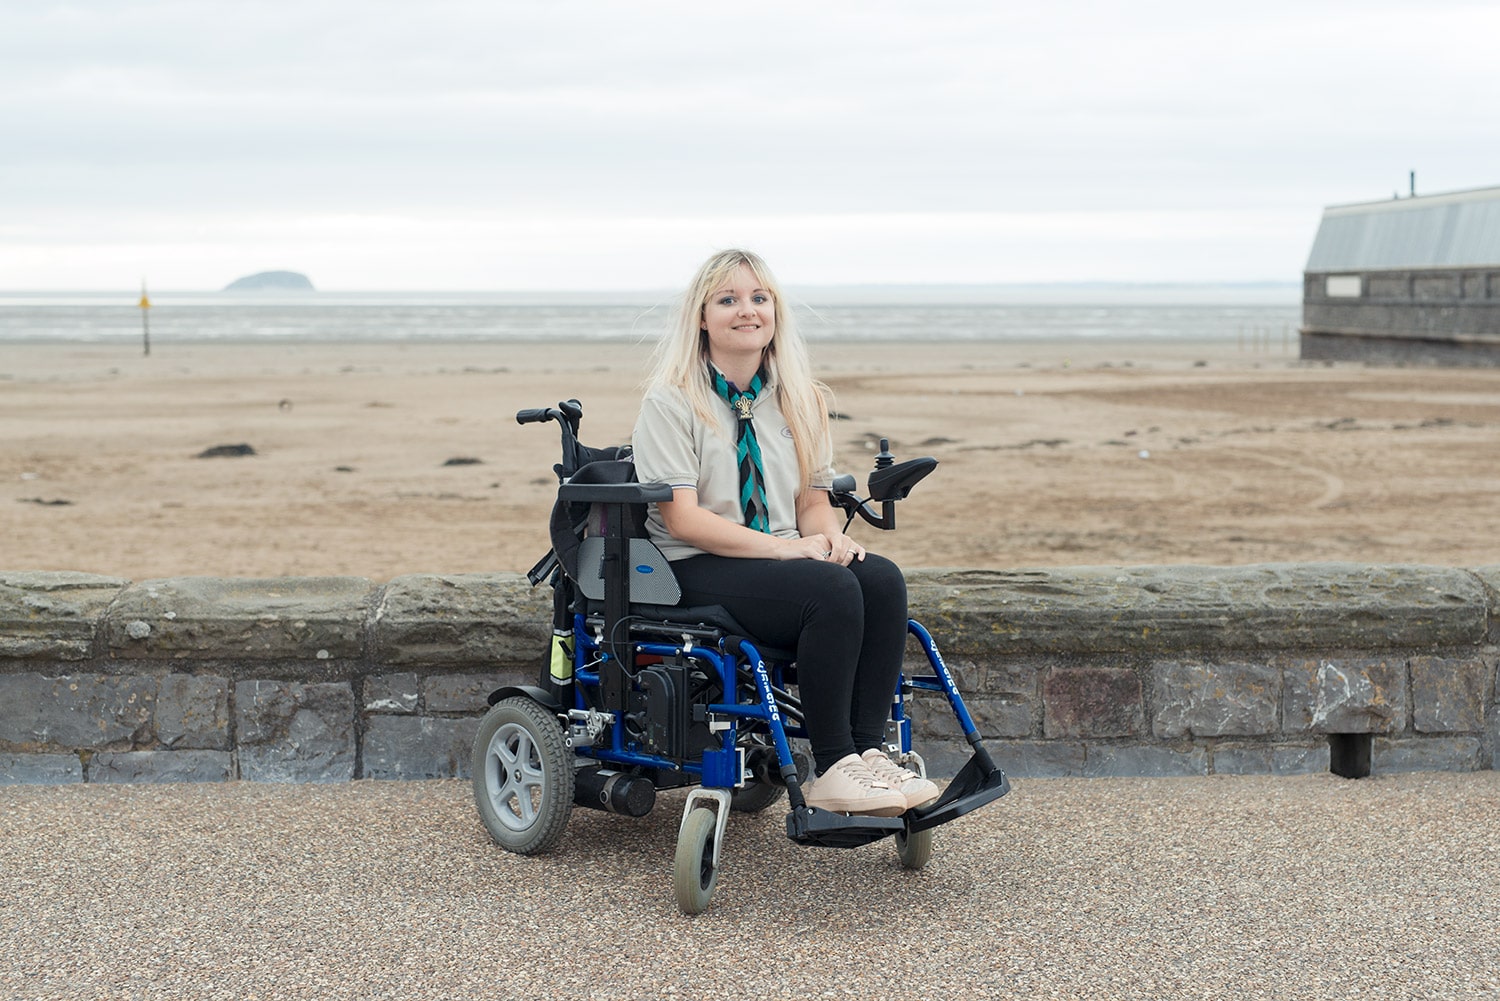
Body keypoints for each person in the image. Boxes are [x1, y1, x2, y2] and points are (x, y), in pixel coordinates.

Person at [631, 249, 938, 817]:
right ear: (702, 317)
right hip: (692, 562)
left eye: (758, 298)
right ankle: (834, 764)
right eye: (727, 300)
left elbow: (813, 503)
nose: (746, 311)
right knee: (831, 591)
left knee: (879, 578)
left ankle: (871, 754)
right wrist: (786, 549)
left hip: (777, 557)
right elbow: (682, 518)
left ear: (775, 311)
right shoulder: (671, 399)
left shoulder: (802, 399)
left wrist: (830, 539)